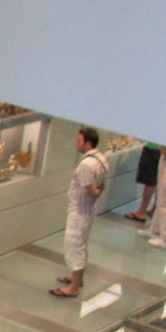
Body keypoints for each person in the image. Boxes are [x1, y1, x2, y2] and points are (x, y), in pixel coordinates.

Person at [51, 127, 110, 298]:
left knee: (73, 245)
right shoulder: (101, 159)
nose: (76, 144)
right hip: (88, 209)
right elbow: (101, 185)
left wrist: (97, 193)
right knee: (81, 243)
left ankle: (73, 287)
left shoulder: (86, 164)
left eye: (79, 141)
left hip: (80, 209)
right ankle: (78, 278)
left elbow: (91, 190)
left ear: (87, 143)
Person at [124, 141, 161, 222]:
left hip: (153, 148)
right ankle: (155, 209)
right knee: (158, 179)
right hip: (161, 150)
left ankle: (141, 212)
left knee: (150, 181)